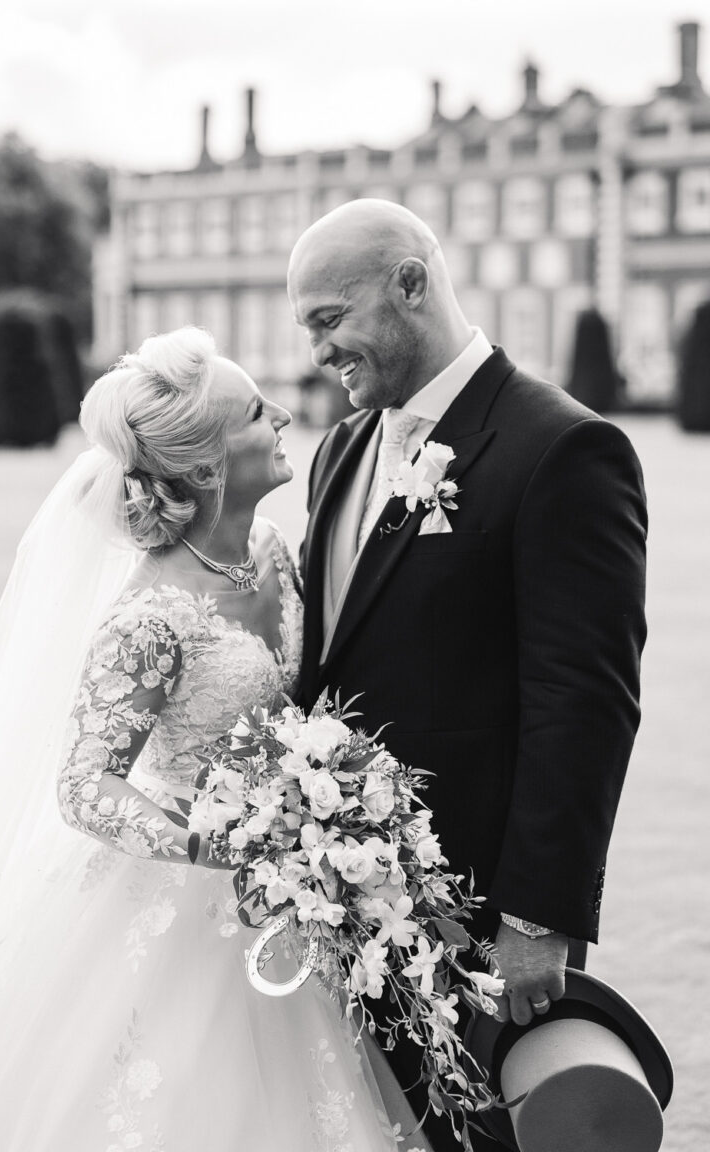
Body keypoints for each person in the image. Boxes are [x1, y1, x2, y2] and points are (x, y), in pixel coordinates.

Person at [0, 327, 408, 1151]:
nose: (282, 417)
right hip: (181, 891)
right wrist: (225, 842)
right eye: (255, 413)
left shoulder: (269, 552)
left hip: (285, 889)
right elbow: (86, 785)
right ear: (203, 466)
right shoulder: (150, 621)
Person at [288, 200, 648, 1150]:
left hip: (477, 905)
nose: (320, 351)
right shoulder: (340, 448)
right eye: (308, 328)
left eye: (330, 318)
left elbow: (586, 699)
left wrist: (539, 915)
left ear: (411, 283)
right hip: (344, 894)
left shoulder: (562, 448)